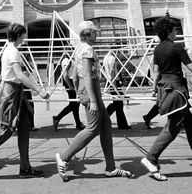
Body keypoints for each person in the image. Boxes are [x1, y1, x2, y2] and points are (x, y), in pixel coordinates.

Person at [0, 22, 49, 183]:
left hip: (17, 93)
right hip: (12, 94)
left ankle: (25, 168)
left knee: (25, 128)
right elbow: (19, 75)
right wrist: (39, 90)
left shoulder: (11, 49)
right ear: (19, 35)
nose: (25, 37)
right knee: (5, 130)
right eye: (24, 35)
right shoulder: (13, 51)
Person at [54, 21, 133, 182]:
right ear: (87, 33)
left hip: (87, 90)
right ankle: (64, 157)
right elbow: (88, 76)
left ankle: (111, 167)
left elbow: (76, 75)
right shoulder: (88, 50)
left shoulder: (79, 49)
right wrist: (92, 100)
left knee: (105, 125)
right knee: (92, 128)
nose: (97, 34)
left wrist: (79, 91)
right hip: (92, 91)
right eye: (94, 32)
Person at [141, 17, 192, 181]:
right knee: (172, 128)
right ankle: (151, 158)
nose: (176, 32)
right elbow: (190, 67)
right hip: (177, 89)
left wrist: (154, 88)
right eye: (175, 30)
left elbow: (155, 72)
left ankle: (151, 158)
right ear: (169, 31)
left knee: (190, 123)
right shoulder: (177, 47)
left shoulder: (157, 49)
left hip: (166, 88)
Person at [52, 53, 85, 131]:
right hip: (70, 84)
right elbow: (65, 74)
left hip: (73, 83)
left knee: (75, 104)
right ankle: (57, 118)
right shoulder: (66, 60)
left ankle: (78, 123)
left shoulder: (70, 60)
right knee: (74, 104)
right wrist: (70, 86)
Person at [103, 48, 131, 129]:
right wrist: (115, 84)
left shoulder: (106, 58)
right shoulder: (112, 59)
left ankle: (122, 124)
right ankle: (104, 118)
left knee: (117, 104)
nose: (118, 54)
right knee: (117, 103)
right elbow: (113, 72)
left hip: (110, 81)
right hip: (113, 82)